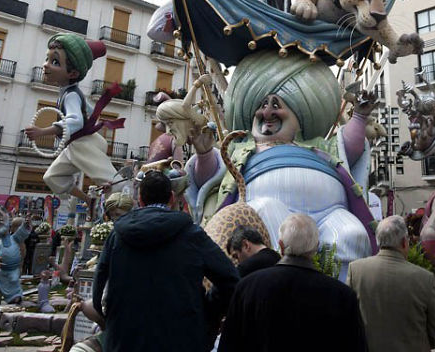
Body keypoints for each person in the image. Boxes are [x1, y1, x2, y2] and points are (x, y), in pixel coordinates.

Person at [187, 50, 378, 281]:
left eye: (276, 105)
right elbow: (211, 178)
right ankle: (276, 288)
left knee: (351, 233)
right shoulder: (239, 147)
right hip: (270, 213)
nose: (267, 112)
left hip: (330, 213)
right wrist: (204, 154)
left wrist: (359, 117)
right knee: (264, 212)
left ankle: (334, 292)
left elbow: (351, 150)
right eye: (263, 105)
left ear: (299, 116)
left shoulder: (319, 145)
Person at [93, 170, 238, 352]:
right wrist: (206, 313)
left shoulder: (117, 236)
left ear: (140, 200)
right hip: (182, 339)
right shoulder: (191, 235)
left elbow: (98, 288)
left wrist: (112, 320)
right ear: (171, 198)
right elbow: (229, 279)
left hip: (125, 340)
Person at [219, 213, 367, 352]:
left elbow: (229, 345)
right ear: (316, 247)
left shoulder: (247, 288)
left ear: (281, 246)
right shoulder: (342, 296)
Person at [25, 34, 124, 212]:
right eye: (47, 59)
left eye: (55, 62)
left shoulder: (70, 95)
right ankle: (89, 201)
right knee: (52, 177)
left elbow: (76, 120)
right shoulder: (68, 92)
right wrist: (93, 122)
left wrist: (42, 132)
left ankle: (125, 205)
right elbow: (90, 111)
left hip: (82, 145)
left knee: (114, 182)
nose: (46, 65)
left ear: (73, 74)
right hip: (74, 145)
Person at [348, 215, 435, 352]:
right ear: (404, 242)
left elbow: (347, 322)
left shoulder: (356, 270)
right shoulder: (424, 278)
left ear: (378, 241)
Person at [0, 208, 30, 303]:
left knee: (14, 280)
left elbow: (22, 233)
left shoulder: (16, 238)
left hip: (13, 267)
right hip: (2, 266)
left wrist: (25, 225)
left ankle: (16, 295)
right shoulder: (0, 242)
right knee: (0, 276)